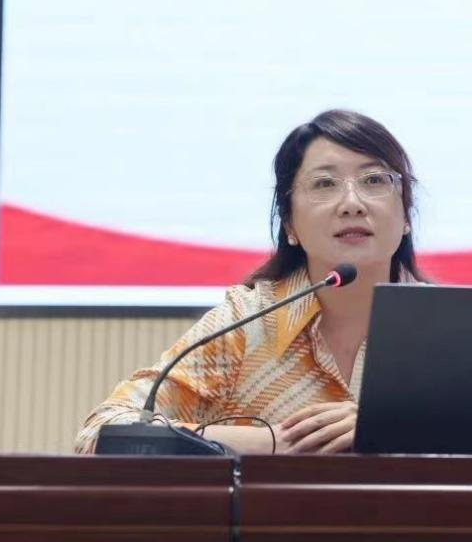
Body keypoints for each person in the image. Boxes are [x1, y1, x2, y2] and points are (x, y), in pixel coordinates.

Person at [75, 109, 427, 454]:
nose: (352, 203)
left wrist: (385, 429)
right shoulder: (248, 325)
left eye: (374, 180)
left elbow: (465, 445)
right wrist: (275, 442)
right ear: (289, 225)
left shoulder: (444, 328)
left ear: (406, 216)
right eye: (324, 184)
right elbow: (102, 434)